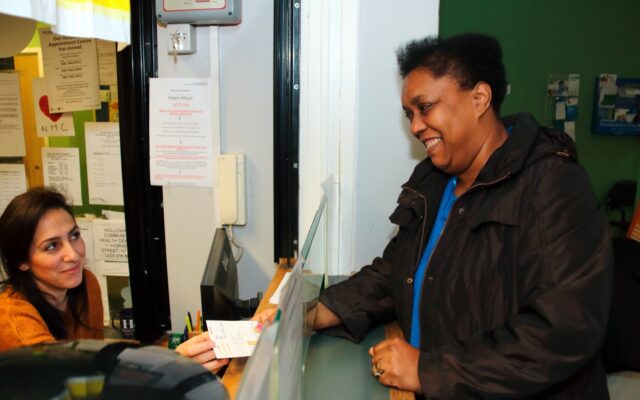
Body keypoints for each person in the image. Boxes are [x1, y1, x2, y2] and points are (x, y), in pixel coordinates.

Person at [311, 33, 613, 398]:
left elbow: (563, 330)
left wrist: (426, 370)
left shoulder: (553, 186)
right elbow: (397, 271)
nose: (416, 126)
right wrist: (319, 311)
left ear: (479, 98)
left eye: (426, 108)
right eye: (410, 114)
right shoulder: (433, 182)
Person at [0, 187, 104, 350]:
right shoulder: (12, 319)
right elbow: (60, 371)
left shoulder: (87, 283)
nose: (73, 256)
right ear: (22, 261)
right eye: (52, 246)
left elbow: (97, 361)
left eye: (74, 235)